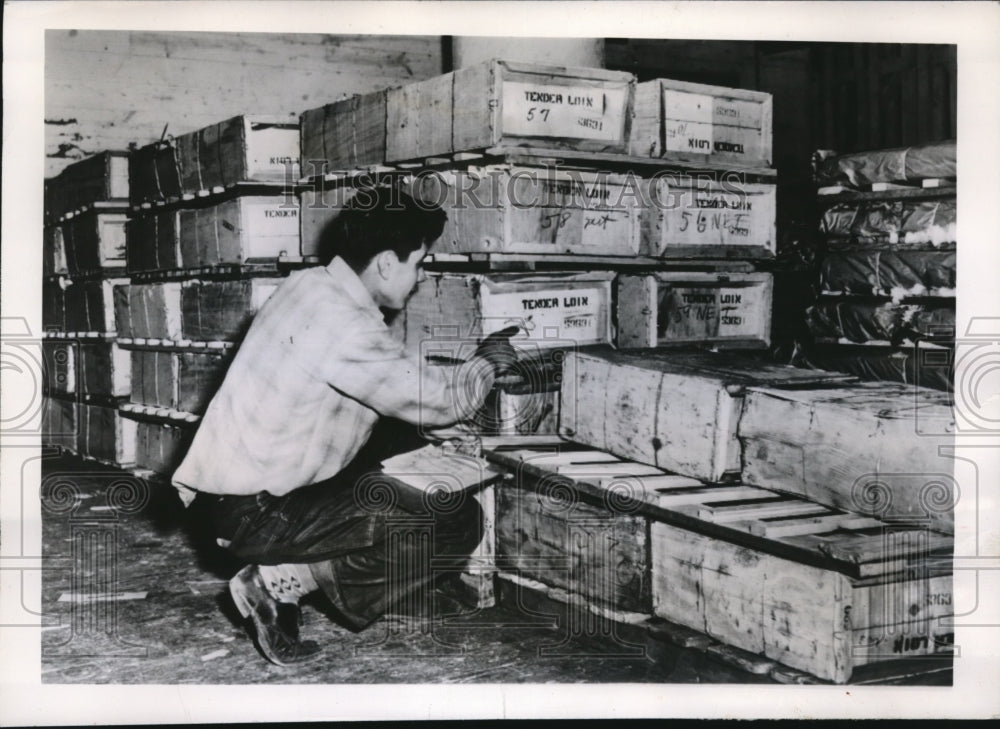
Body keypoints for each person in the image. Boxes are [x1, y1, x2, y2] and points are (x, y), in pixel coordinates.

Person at [171, 186, 517, 666]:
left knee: (403, 472)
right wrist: (485, 363)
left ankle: (329, 582)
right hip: (260, 514)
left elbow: (354, 395)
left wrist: (428, 431)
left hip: (230, 500)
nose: (421, 278)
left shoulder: (309, 286)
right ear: (385, 264)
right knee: (457, 519)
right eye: (419, 263)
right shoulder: (344, 324)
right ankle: (282, 580)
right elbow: (440, 401)